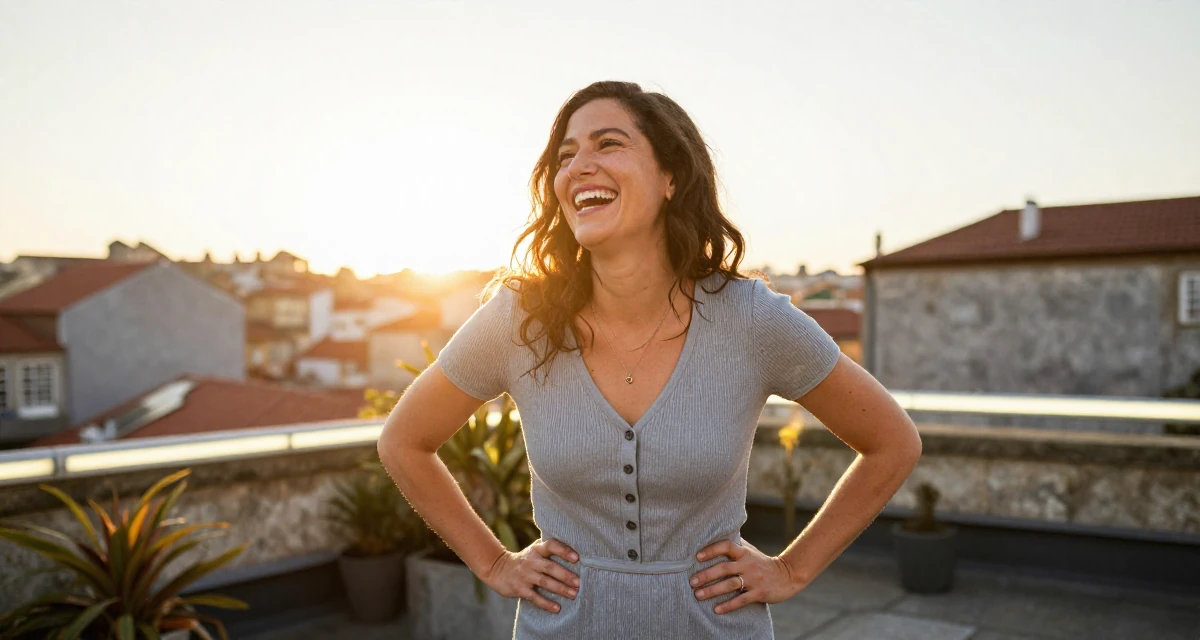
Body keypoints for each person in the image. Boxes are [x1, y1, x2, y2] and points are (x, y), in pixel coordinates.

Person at [377, 80, 922, 639]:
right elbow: (403, 442)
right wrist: (493, 563)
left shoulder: (751, 319)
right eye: (566, 156)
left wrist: (791, 568)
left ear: (671, 177)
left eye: (608, 144)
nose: (579, 166)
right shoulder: (520, 319)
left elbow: (892, 442)